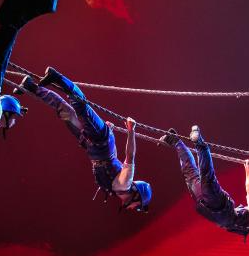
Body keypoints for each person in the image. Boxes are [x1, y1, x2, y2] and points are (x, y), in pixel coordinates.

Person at [14, 67, 151, 212]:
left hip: (92, 146)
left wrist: (110, 132)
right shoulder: (125, 184)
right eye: (138, 206)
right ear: (137, 196)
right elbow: (130, 156)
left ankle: (31, 86)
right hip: (101, 140)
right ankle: (56, 76)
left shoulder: (116, 190)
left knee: (65, 112)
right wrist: (131, 130)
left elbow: (113, 159)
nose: (134, 209)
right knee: (81, 107)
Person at [159, 126, 249, 235]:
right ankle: (201, 144)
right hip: (221, 209)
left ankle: (175, 140)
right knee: (207, 178)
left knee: (190, 175)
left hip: (213, 213)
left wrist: (248, 171)